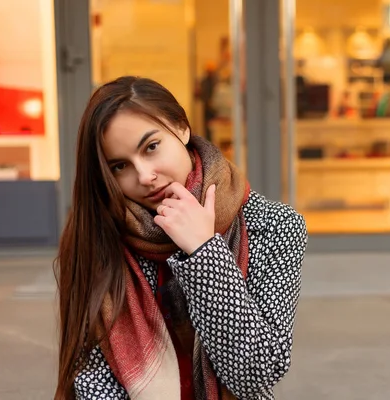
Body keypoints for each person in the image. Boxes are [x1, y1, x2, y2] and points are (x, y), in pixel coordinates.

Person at [53, 76, 307, 400]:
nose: (145, 176)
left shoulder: (273, 226)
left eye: (151, 147)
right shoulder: (98, 236)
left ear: (181, 127)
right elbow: (93, 382)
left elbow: (254, 374)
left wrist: (204, 252)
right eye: (120, 166)